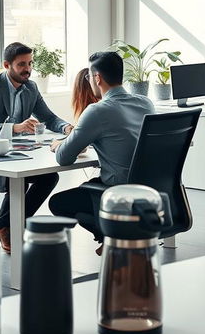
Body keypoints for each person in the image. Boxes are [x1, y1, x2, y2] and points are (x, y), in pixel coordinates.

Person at [0, 42, 74, 253]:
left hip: (20, 152)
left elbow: (48, 117)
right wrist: (15, 127)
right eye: (21, 64)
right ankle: (6, 227)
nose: (28, 69)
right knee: (24, 179)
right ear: (6, 65)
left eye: (30, 63)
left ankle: (2, 225)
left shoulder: (31, 87)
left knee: (49, 176)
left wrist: (66, 128)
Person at [49, 51, 155, 252]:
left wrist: (58, 145)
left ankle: (114, 236)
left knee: (59, 203)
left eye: (89, 76)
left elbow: (64, 158)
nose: (88, 81)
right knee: (88, 186)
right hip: (150, 190)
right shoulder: (145, 103)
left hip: (118, 193)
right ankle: (115, 237)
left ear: (97, 78)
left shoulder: (98, 110)